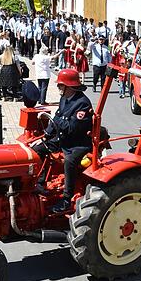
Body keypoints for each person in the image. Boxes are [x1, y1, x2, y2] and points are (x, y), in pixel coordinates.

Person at [31, 69, 93, 213]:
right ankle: (40, 183)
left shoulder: (82, 104)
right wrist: (46, 135)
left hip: (77, 143)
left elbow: (71, 128)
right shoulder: (65, 98)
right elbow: (56, 120)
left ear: (69, 86)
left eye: (60, 85)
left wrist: (56, 118)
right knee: (37, 149)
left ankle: (66, 199)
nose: (58, 88)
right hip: (64, 139)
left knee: (70, 161)